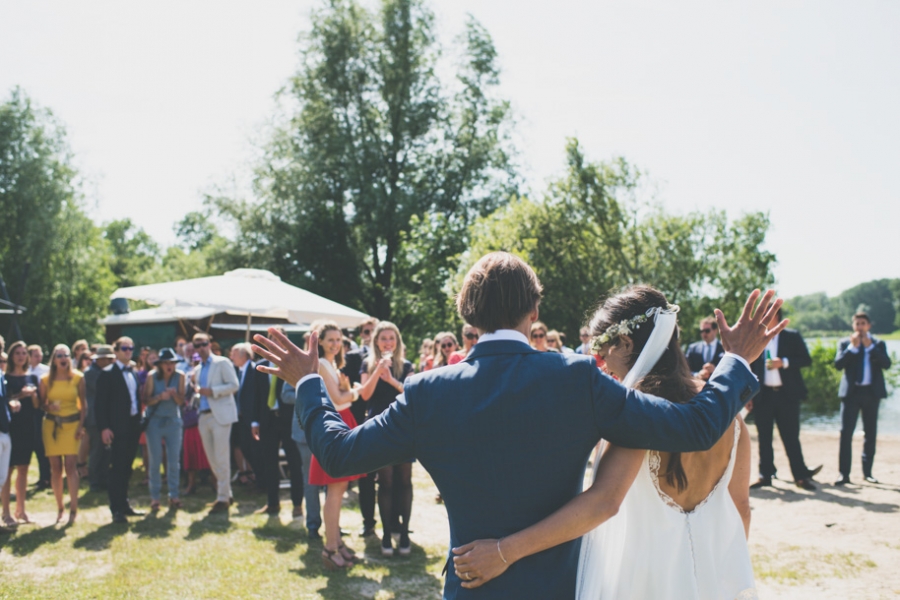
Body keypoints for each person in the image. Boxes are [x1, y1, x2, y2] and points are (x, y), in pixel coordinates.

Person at [253, 251, 782, 599]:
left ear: (467, 312)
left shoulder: (428, 393)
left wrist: (308, 384)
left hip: (471, 586)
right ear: (534, 311)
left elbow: (339, 453)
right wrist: (737, 361)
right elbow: (695, 427)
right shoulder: (577, 379)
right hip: (556, 589)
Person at [452, 285, 756, 599]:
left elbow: (603, 503)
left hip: (638, 578)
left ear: (625, 343)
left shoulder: (636, 414)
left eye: (603, 348)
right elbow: (741, 509)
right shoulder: (726, 416)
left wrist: (505, 551)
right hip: (705, 578)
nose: (600, 363)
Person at [305, 320, 364, 569]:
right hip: (332, 427)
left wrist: (347, 390)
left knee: (338, 490)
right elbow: (339, 399)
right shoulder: (320, 365)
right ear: (319, 341)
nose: (336, 344)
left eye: (339, 339)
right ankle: (330, 548)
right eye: (331, 339)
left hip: (338, 424)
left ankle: (337, 543)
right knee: (335, 490)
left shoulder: (331, 364)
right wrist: (357, 390)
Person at [748, 306, 821, 491]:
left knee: (791, 437)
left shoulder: (792, 336)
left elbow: (806, 359)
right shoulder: (757, 338)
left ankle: (800, 477)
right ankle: (765, 475)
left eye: (767, 315)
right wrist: (748, 395)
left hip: (786, 396)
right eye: (763, 315)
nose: (764, 318)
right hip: (763, 396)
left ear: (776, 316)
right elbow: (749, 367)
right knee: (764, 438)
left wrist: (784, 362)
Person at [359, 321, 416, 556]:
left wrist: (391, 378)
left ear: (398, 341)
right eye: (383, 338)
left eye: (391, 338)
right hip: (379, 428)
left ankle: (403, 533)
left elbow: (412, 394)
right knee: (385, 481)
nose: (388, 342)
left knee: (404, 481)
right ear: (376, 342)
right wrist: (377, 372)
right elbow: (364, 395)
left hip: (403, 428)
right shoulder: (366, 364)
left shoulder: (408, 365)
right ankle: (385, 535)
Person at [834, 311, 892, 485]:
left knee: (870, 434)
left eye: (863, 323)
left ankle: (868, 473)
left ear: (869, 326)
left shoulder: (878, 343)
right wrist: (853, 348)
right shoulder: (845, 343)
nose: (860, 327)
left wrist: (870, 348)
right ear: (853, 326)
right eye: (857, 324)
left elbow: (886, 364)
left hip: (871, 394)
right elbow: (838, 364)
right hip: (851, 394)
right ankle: (844, 474)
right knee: (846, 434)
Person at [96, 337, 144, 524]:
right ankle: (116, 509)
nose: (128, 351)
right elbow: (99, 405)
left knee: (127, 468)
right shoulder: (107, 374)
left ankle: (124, 504)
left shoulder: (132, 372)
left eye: (131, 348)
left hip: (132, 426)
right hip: (116, 428)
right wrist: (104, 428)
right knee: (117, 468)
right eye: (124, 348)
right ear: (115, 351)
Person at [191, 333, 239, 514]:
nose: (201, 348)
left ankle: (222, 498)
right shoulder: (197, 369)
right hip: (203, 415)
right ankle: (226, 493)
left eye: (204, 344)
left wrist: (212, 391)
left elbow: (234, 385)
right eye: (197, 345)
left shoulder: (222, 362)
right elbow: (199, 393)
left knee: (221, 457)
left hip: (220, 415)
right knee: (212, 459)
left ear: (209, 344)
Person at [39, 344, 86, 525]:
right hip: (52, 426)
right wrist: (48, 407)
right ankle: (60, 507)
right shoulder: (45, 380)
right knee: (56, 468)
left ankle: (73, 507)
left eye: (65, 355)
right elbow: (41, 404)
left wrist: (80, 427)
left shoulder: (78, 378)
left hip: (72, 424)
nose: (63, 358)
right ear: (54, 359)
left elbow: (84, 404)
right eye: (59, 355)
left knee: (71, 466)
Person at [342, 318, 378, 536]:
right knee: (366, 477)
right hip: (360, 421)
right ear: (362, 334)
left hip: (384, 418)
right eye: (367, 331)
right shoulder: (353, 357)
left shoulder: (392, 357)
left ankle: (391, 521)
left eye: (375, 331)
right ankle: (368, 522)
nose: (371, 335)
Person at [140, 348, 185, 510]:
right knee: (155, 460)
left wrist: (174, 396)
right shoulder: (152, 376)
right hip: (155, 422)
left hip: (173, 421)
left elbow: (182, 402)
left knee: (174, 461)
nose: (169, 366)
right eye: (166, 363)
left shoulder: (180, 376)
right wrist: (160, 397)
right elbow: (146, 399)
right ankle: (155, 497)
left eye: (172, 363)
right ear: (160, 364)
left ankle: (174, 495)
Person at [1, 341, 40, 525]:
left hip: (28, 426)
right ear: (11, 355)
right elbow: (5, 401)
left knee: (24, 468)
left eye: (24, 353)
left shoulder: (32, 378)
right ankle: (6, 511)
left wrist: (32, 397)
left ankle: (21, 510)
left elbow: (37, 406)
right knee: (7, 470)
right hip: (11, 427)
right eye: (17, 352)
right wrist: (19, 396)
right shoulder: (5, 377)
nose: (21, 356)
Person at [232, 343, 265, 488]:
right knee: (245, 448)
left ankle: (261, 482)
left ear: (243, 355)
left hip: (251, 419)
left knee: (255, 451)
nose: (231, 357)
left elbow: (255, 397)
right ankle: (258, 480)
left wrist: (254, 420)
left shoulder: (254, 370)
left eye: (233, 353)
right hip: (241, 418)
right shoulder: (238, 371)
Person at [84, 345, 114, 493]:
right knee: (96, 450)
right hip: (95, 418)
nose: (109, 362)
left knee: (106, 450)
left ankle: (103, 479)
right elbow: (103, 389)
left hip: (106, 417)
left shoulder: (106, 372)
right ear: (100, 360)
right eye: (107, 359)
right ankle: (94, 481)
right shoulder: (90, 373)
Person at [181, 358, 209, 496]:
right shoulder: (186, 384)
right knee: (190, 455)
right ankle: (191, 484)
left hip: (206, 421)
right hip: (190, 424)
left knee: (207, 455)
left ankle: (215, 483)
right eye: (194, 364)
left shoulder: (208, 380)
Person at [27, 344, 51, 490]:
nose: (39, 357)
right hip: (27, 411)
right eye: (35, 355)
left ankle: (46, 477)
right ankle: (42, 477)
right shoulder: (25, 370)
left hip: (41, 410)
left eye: (40, 354)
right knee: (35, 445)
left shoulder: (45, 371)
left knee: (42, 444)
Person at [684, 316, 724, 380]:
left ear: (715, 331)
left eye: (707, 331)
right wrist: (697, 375)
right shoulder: (693, 348)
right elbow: (685, 370)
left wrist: (716, 371)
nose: (704, 333)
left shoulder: (725, 348)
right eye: (702, 331)